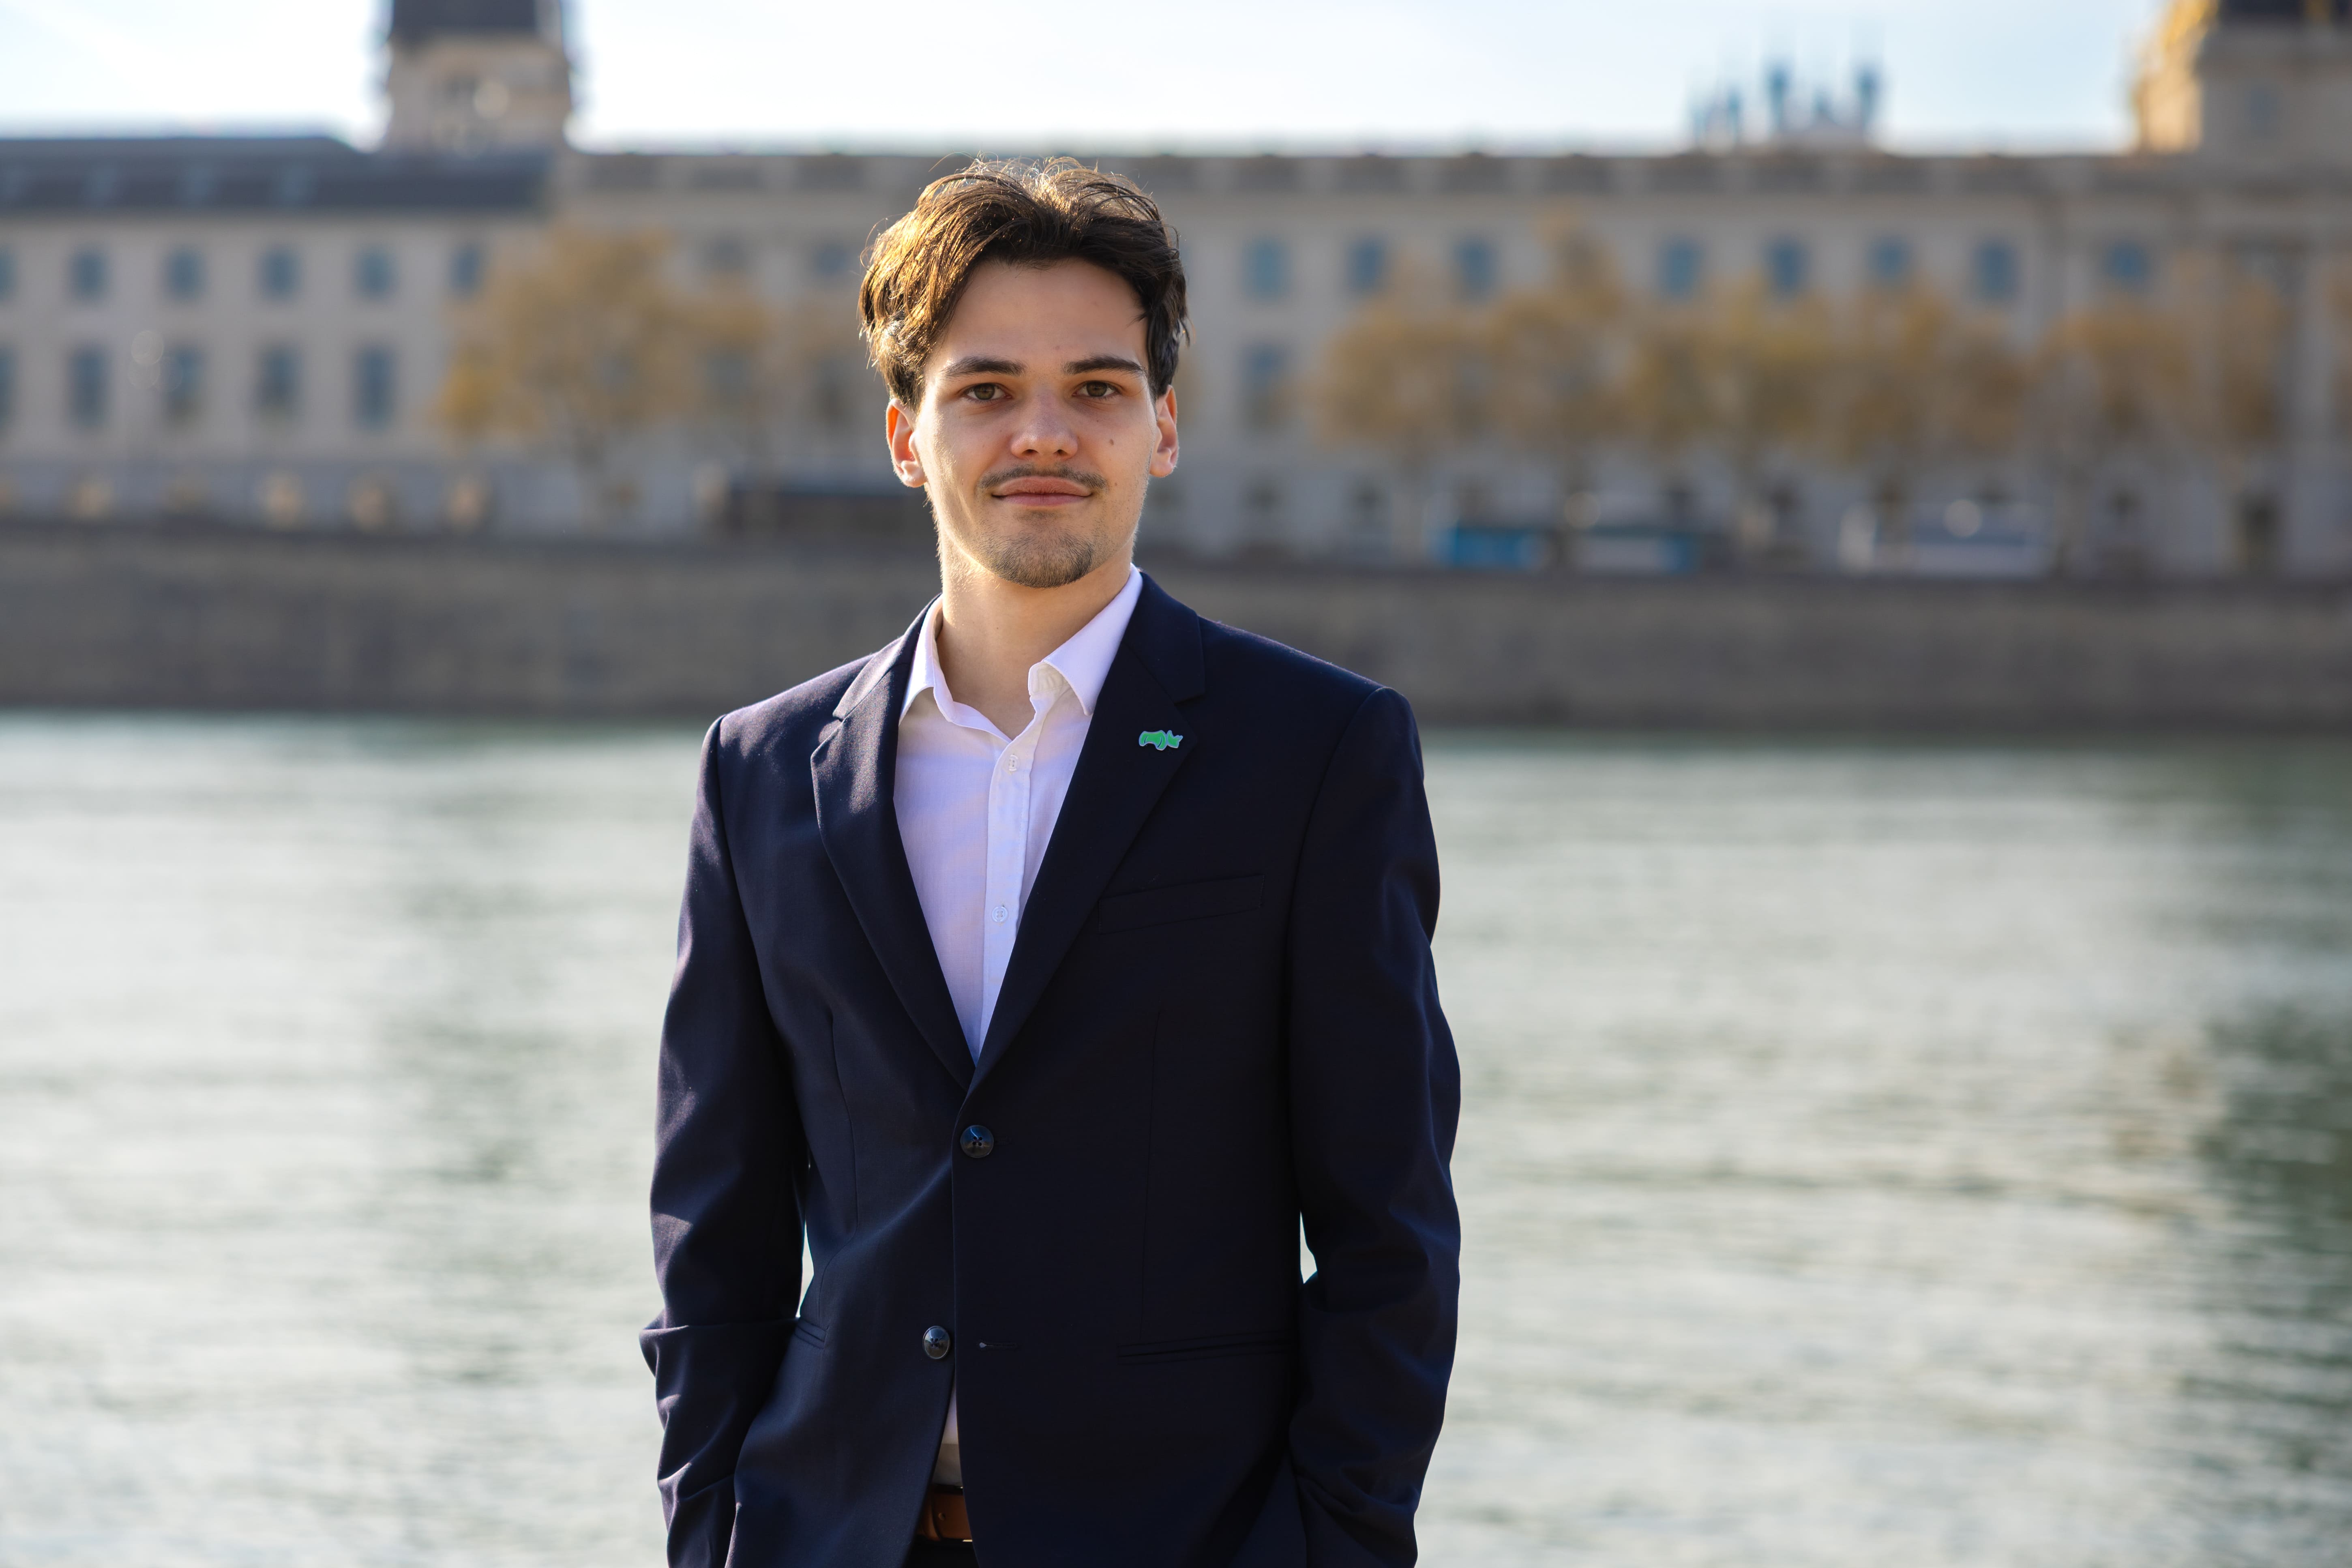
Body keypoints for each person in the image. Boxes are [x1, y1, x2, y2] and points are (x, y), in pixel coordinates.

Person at [641, 159, 1459, 1568]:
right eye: (985, 390)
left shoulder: (1318, 753)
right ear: (907, 436)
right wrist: (709, 1527)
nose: (1043, 433)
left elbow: (1389, 1234)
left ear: (1163, 427)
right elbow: (711, 1227)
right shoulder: (763, 772)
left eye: (1094, 388)